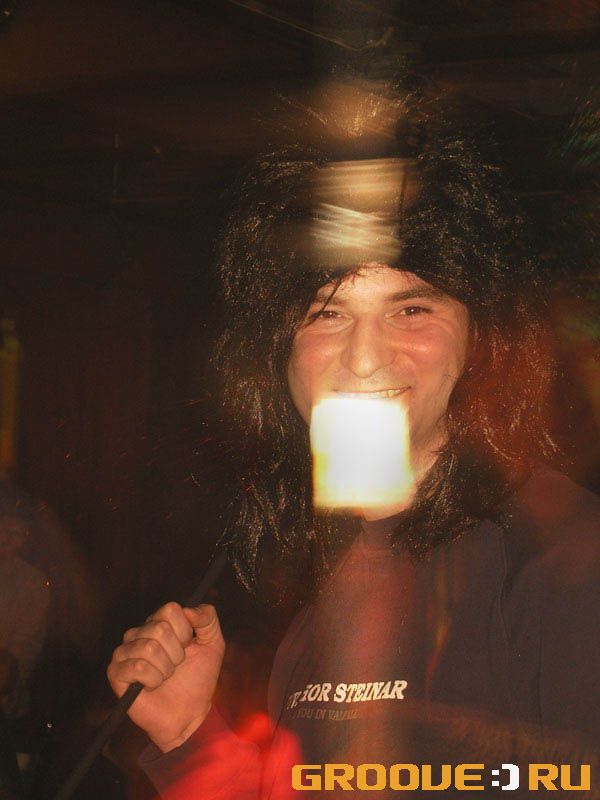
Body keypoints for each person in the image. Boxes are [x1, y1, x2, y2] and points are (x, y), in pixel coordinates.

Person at [107, 95, 600, 798]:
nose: (364, 358)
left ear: (480, 339)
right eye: (329, 313)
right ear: (281, 352)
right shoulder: (321, 581)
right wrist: (190, 738)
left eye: (411, 309)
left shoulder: (565, 558)